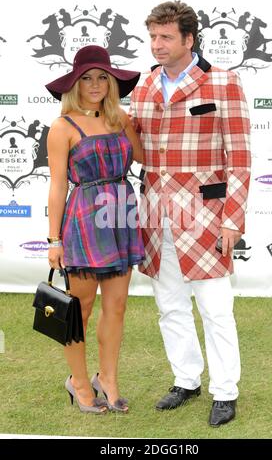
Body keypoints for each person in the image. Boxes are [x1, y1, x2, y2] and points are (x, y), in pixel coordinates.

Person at [129, 1, 251, 426]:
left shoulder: (223, 83)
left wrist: (233, 219)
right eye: (153, 37)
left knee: (216, 308)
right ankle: (186, 379)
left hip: (206, 216)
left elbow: (239, 159)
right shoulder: (144, 86)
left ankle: (225, 390)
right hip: (156, 214)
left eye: (165, 37)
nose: (156, 45)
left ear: (188, 39)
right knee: (170, 306)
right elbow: (136, 146)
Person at [45, 45, 144, 414]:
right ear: (74, 83)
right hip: (85, 220)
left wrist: (147, 120)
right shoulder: (62, 127)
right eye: (86, 78)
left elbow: (145, 157)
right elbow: (57, 187)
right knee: (80, 309)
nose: (95, 84)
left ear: (112, 82)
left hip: (120, 216)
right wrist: (54, 240)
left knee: (116, 306)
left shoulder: (120, 118)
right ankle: (79, 382)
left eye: (103, 77)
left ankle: (109, 379)